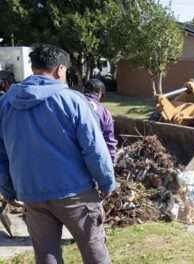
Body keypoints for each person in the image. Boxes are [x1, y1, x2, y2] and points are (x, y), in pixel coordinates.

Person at [0, 44, 116, 264]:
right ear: (60, 69)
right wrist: (107, 182)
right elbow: (94, 149)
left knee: (46, 254)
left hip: (31, 192)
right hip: (75, 192)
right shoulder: (73, 101)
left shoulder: (5, 103)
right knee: (94, 250)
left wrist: (8, 189)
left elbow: (1, 153)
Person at [83, 79, 118, 163]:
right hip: (96, 156)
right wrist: (112, 159)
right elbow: (109, 138)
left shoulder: (72, 104)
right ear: (99, 93)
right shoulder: (104, 112)